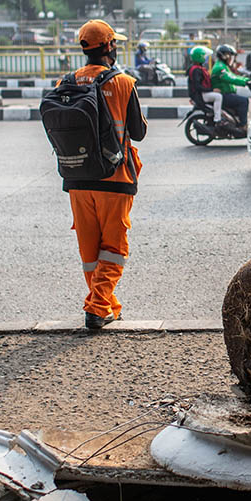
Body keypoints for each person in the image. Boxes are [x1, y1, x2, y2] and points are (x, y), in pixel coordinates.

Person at [61, 19, 148, 330]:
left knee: (89, 251)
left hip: (77, 180)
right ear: (110, 46)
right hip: (115, 178)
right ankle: (98, 307)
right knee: (114, 247)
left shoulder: (66, 82)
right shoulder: (123, 82)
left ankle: (107, 304)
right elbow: (138, 133)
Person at [211, 44, 249, 127]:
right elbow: (231, 79)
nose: (231, 58)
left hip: (227, 92)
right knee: (244, 101)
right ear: (224, 56)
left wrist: (246, 79)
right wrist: (246, 81)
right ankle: (243, 125)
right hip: (224, 94)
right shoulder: (220, 67)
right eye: (229, 55)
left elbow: (234, 76)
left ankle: (237, 119)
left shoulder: (223, 65)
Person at [186, 45, 222, 123]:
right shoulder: (196, 70)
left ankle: (210, 117)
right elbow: (198, 86)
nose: (205, 58)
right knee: (218, 97)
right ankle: (217, 119)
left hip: (200, 93)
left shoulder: (197, 68)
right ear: (199, 57)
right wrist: (212, 90)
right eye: (204, 56)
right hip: (200, 95)